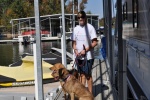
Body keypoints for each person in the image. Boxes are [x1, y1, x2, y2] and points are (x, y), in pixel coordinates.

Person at [72, 11, 98, 93]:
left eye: (82, 17)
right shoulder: (75, 29)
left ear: (85, 17)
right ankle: (83, 94)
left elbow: (95, 42)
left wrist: (85, 50)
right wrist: (75, 50)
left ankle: (90, 95)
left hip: (88, 56)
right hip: (79, 57)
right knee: (81, 75)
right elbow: (73, 43)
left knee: (87, 76)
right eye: (79, 17)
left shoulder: (90, 28)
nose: (80, 19)